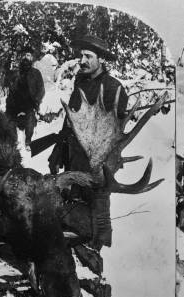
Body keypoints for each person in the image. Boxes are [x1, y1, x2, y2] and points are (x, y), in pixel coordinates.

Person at [48, 35, 128, 249]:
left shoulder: (114, 88)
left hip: (97, 169)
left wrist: (100, 172)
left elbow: (113, 137)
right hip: (74, 161)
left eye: (88, 56)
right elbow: (70, 124)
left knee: (97, 223)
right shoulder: (80, 83)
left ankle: (95, 266)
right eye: (81, 55)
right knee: (72, 217)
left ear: (101, 60)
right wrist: (57, 153)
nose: (82, 61)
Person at [5, 47, 45, 148]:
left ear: (32, 58)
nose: (25, 58)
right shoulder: (14, 73)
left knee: (30, 118)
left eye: (28, 55)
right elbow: (8, 87)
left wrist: (36, 102)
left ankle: (28, 141)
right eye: (23, 55)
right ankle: (13, 141)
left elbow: (41, 90)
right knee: (8, 119)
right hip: (14, 104)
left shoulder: (36, 73)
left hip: (29, 103)